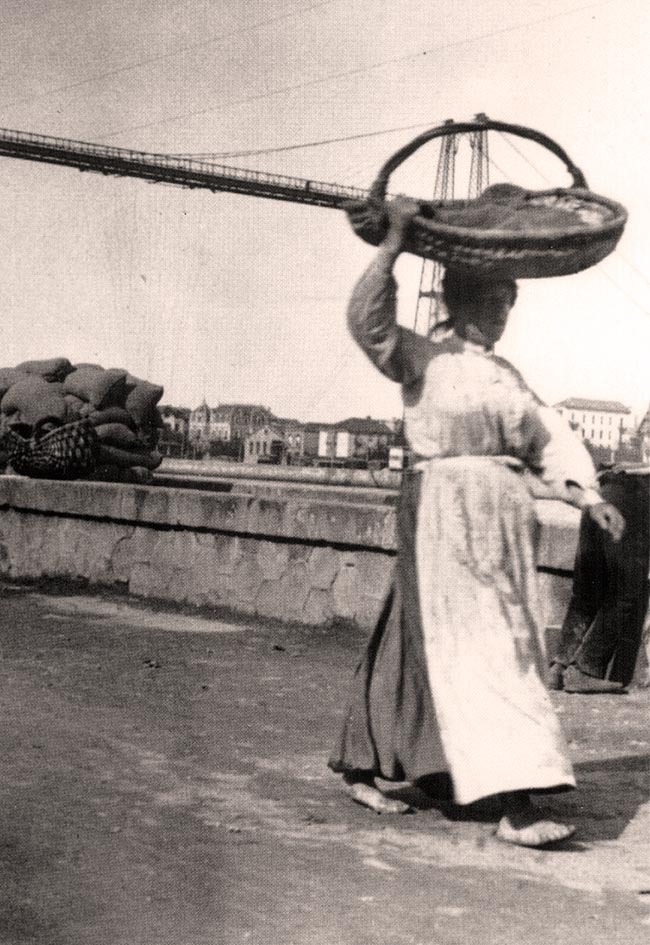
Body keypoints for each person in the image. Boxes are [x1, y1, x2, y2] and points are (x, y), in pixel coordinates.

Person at [329, 197, 625, 848]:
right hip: (438, 511)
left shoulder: (504, 376)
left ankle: (381, 763)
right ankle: (514, 803)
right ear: (460, 301)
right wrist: (394, 246)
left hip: (493, 531)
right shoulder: (420, 356)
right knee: (493, 651)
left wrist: (585, 495)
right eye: (492, 302)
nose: (500, 315)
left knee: (427, 638)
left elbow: (548, 436)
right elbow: (367, 321)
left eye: (507, 305)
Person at [549, 467, 649, 692]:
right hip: (636, 495)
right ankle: (586, 668)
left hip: (601, 491)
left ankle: (559, 667)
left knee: (587, 589)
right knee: (626, 589)